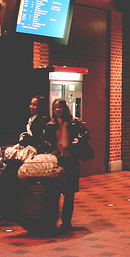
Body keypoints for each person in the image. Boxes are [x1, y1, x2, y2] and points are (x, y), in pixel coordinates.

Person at [43, 98, 90, 232]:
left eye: (59, 107)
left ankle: (66, 220)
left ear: (64, 108)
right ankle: (52, 218)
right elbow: (45, 141)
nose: (57, 110)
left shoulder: (73, 123)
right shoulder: (50, 125)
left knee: (69, 193)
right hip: (56, 160)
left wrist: (78, 139)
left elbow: (86, 133)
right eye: (55, 107)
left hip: (71, 160)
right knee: (55, 191)